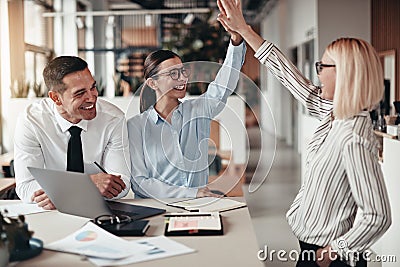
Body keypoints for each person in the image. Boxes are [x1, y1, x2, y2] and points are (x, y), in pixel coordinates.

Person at [217, 0, 391, 266]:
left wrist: (335, 250)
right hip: (311, 249)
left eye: (324, 66)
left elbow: (378, 215)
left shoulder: (352, 136)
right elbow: (293, 79)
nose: (318, 73)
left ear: (346, 74)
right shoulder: (334, 113)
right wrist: (244, 30)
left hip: (330, 259)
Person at [127, 30, 246, 198]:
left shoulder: (198, 111)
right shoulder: (135, 126)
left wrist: (236, 41)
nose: (182, 78)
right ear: (153, 83)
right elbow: (140, 182)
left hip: (198, 205)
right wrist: (189, 193)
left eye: (183, 71)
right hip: (157, 207)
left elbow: (222, 87)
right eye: (173, 74)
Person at [14, 56, 131, 210]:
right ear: (56, 98)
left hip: (100, 210)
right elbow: (25, 187)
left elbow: (121, 185)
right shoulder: (32, 121)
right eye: (80, 93)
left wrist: (59, 191)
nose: (92, 97)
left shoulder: (113, 119)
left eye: (93, 87)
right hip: (52, 213)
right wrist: (89, 184)